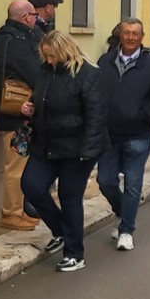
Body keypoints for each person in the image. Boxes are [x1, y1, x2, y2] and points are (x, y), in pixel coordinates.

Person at [20, 31, 109, 273]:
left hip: (77, 149)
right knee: (31, 186)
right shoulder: (45, 72)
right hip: (46, 145)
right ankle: (61, 230)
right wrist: (30, 107)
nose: (49, 60)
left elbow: (96, 114)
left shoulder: (88, 74)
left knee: (70, 197)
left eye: (52, 56)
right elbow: (42, 101)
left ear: (65, 51)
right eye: (46, 56)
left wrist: (88, 150)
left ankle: (74, 253)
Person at [96, 18, 150, 252]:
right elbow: (95, 91)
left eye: (135, 34)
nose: (130, 37)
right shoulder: (105, 62)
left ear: (142, 37)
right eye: (127, 33)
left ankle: (126, 230)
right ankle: (123, 212)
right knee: (105, 181)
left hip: (138, 134)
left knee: (132, 184)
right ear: (120, 35)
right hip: (109, 134)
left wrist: (143, 115)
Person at [0, 0, 43, 230]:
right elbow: (34, 73)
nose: (36, 20)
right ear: (25, 17)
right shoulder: (16, 42)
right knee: (16, 168)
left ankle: (20, 210)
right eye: (34, 16)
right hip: (15, 116)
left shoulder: (11, 38)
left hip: (19, 116)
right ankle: (11, 213)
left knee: (22, 166)